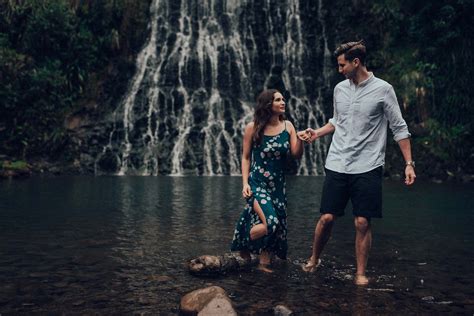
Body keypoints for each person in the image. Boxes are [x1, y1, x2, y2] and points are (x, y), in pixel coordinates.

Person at [297, 40, 416, 285]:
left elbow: (399, 128)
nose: (339, 70)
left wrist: (409, 163)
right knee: (327, 218)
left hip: (368, 164)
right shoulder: (340, 89)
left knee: (362, 221)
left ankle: (360, 273)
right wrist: (316, 133)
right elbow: (336, 121)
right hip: (338, 162)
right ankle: (314, 258)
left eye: (342, 65)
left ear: (356, 62)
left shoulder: (384, 90)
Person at [231, 89, 304, 273]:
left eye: (283, 99)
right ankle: (243, 241)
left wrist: (302, 140)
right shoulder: (253, 127)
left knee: (275, 224)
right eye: (278, 100)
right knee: (271, 222)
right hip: (257, 183)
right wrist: (245, 183)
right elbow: (246, 157)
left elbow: (296, 154)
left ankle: (264, 263)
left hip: (278, 186)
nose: (283, 102)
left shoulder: (288, 126)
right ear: (268, 105)